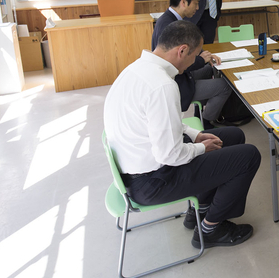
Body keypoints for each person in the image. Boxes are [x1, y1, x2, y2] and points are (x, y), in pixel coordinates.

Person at [104, 20, 261, 249]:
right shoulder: (162, 86)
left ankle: (200, 209)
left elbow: (168, 123)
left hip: (137, 169)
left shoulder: (137, 69)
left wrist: (196, 136)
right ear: (182, 50)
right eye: (195, 55)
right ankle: (210, 229)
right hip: (152, 182)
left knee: (233, 136)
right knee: (248, 156)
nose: (193, 63)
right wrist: (201, 147)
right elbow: (171, 155)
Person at [152, 0, 234, 129]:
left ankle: (201, 112)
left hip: (180, 76)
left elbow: (187, 49)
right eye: (196, 3)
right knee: (225, 86)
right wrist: (201, 60)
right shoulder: (170, 25)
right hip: (177, 83)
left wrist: (205, 55)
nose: (198, 8)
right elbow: (177, 64)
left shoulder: (170, 19)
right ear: (184, 2)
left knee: (210, 68)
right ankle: (208, 122)